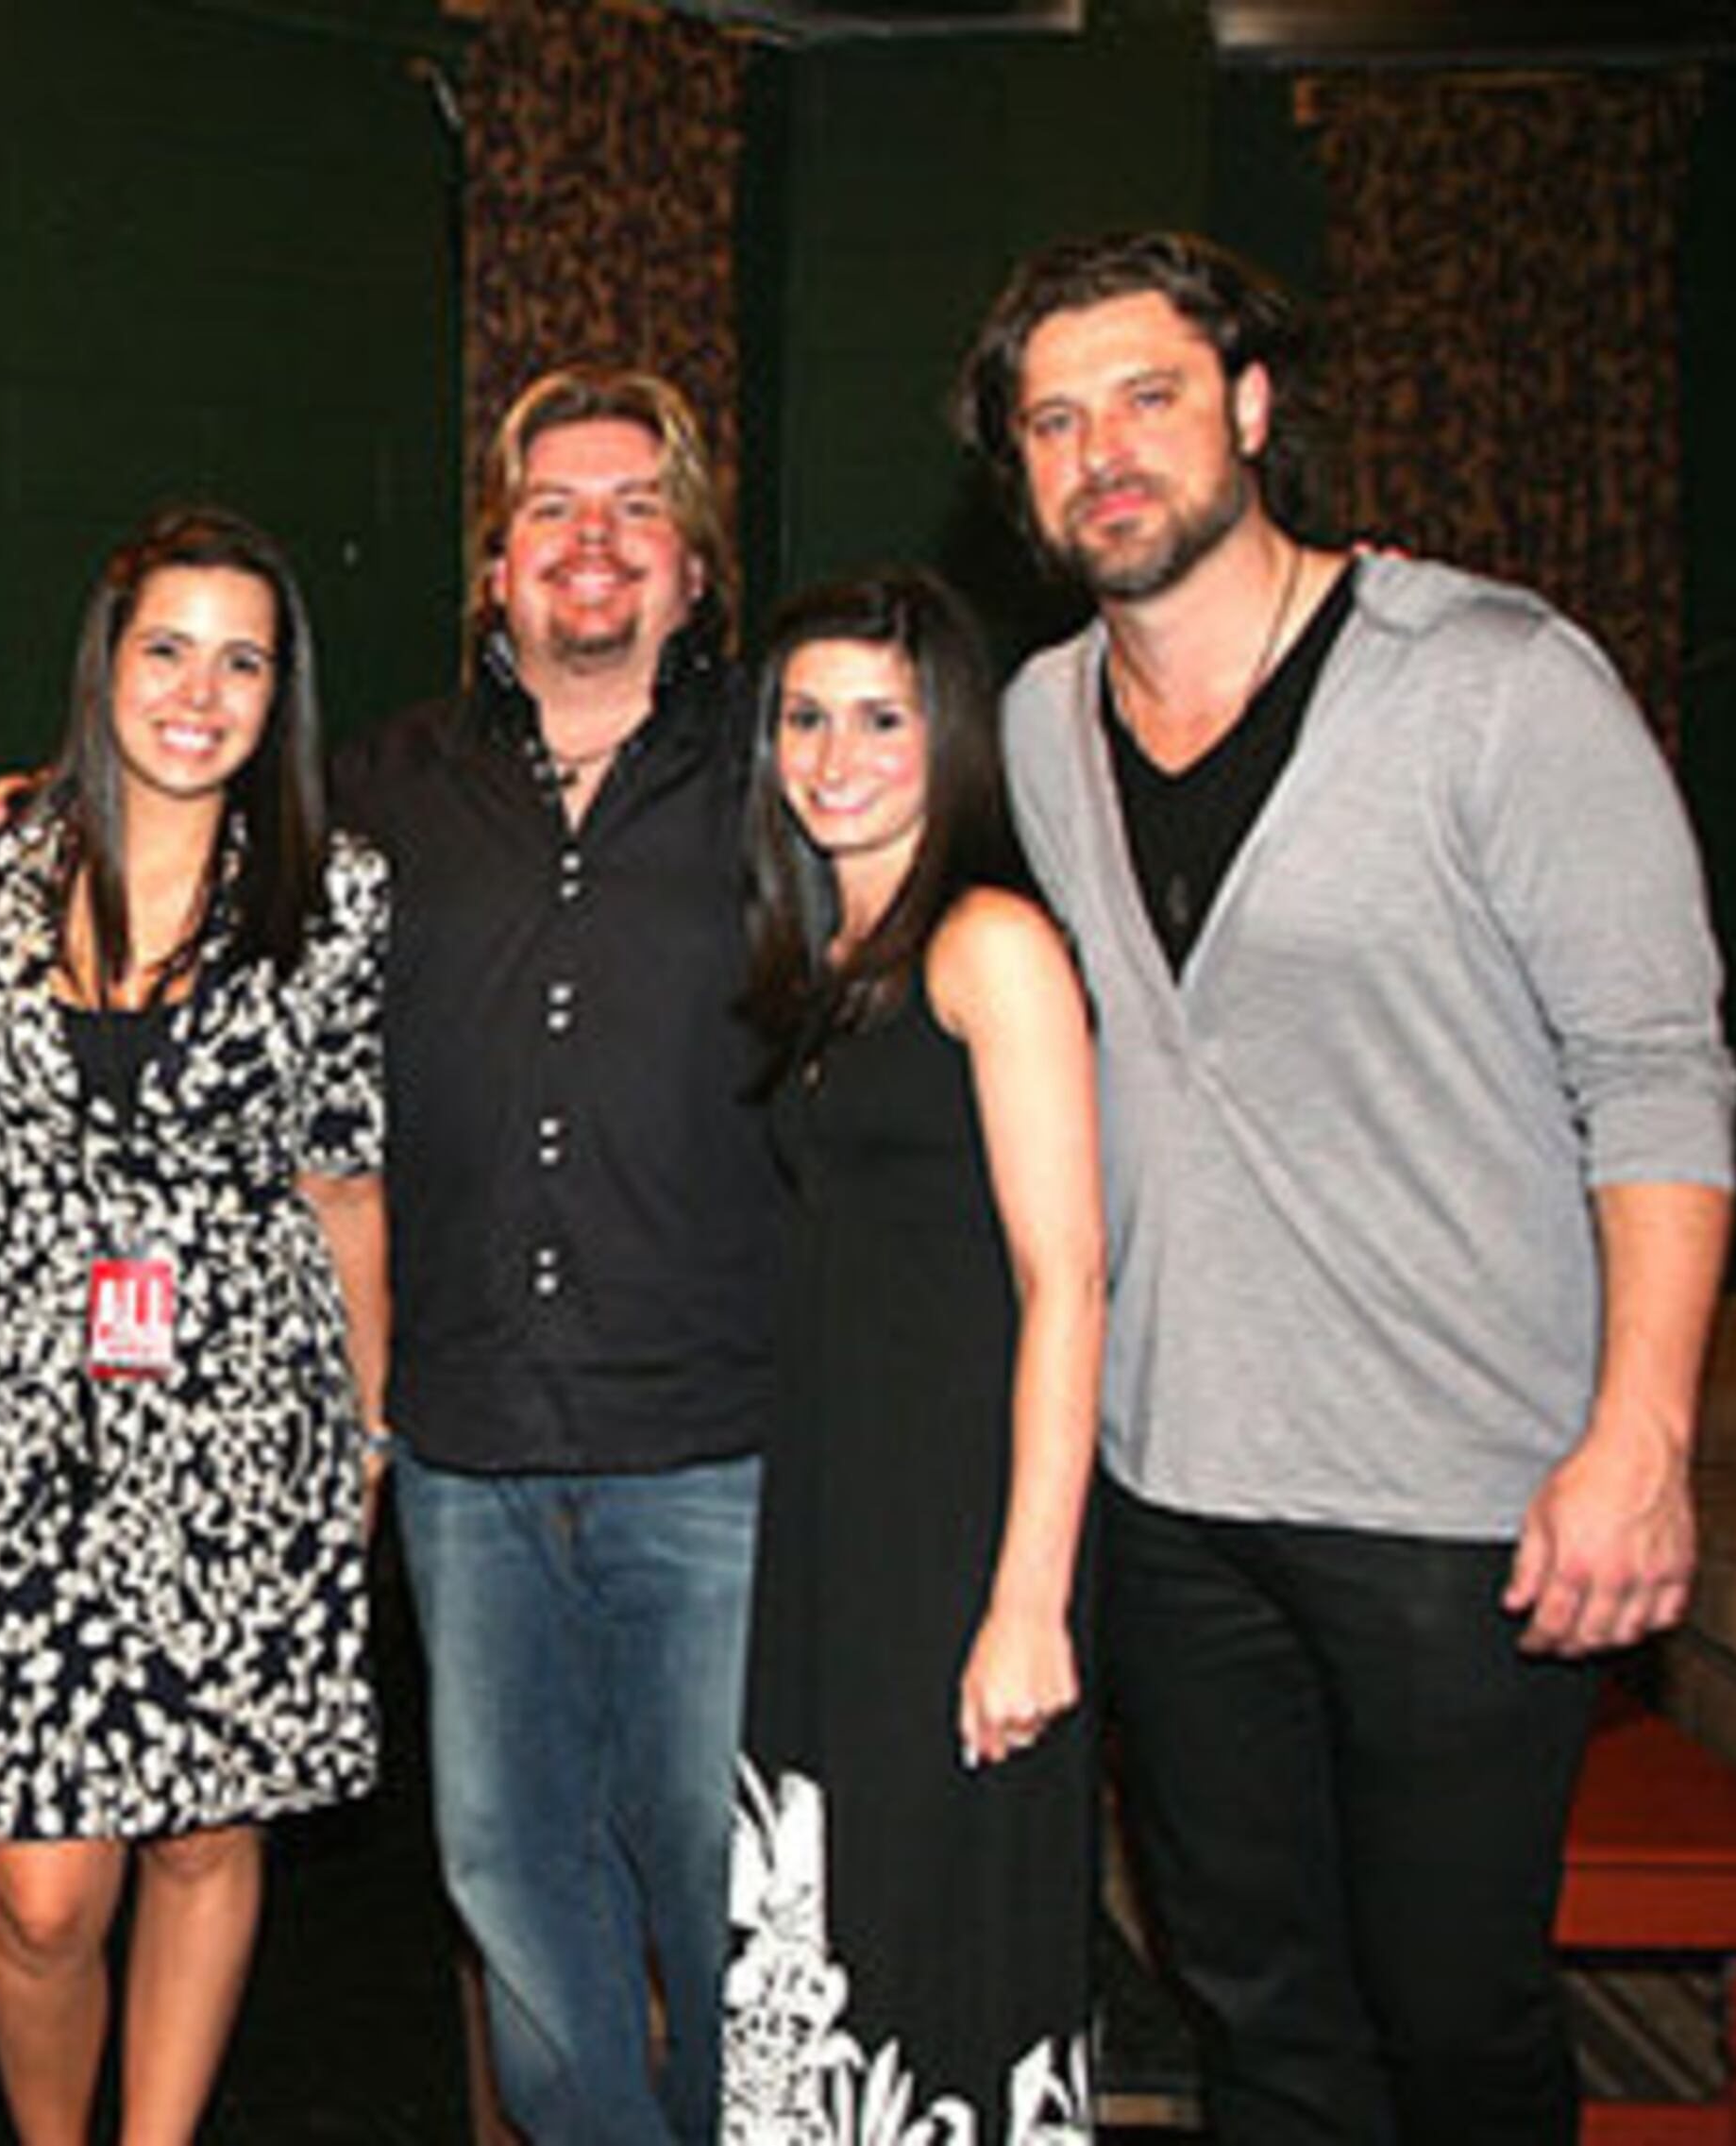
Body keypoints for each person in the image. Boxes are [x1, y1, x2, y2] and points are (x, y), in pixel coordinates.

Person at [958, 228, 1736, 2140]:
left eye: (1147, 397)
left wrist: (1639, 1435)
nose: (1104, 453)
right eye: (1056, 422)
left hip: (1459, 1506)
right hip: (1174, 1499)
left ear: (1249, 404)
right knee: (1255, 2016)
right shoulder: (1042, 725)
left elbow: (1655, 1072)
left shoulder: (1492, 680)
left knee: (1460, 2020)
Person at [331, 368, 784, 2144]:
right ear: (495, 568)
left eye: (634, 507)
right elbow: (176, 838)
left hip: (716, 1447)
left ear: (691, 569)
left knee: (724, 1903)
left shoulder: (789, 763)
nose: (589, 541)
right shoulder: (380, 783)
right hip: (469, 1451)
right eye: (550, 510)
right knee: (515, 1890)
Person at [0, 508, 391, 2144]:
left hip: (252, 1425)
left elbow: (349, 1188)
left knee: (209, 1833)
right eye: (166, 648)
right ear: (104, 664)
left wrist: (363, 1444)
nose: (199, 690)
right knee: (44, 1889)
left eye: (243, 659)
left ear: (281, 694)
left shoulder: (337, 895)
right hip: (34, 1437)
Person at [716, 571, 1102, 2141]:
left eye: (882, 717)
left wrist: (1027, 1603)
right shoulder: (831, 957)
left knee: (943, 1963)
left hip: (960, 1541)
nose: (835, 752)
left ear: (952, 739)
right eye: (805, 717)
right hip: (838, 1531)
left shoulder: (988, 939)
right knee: (836, 1942)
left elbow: (1066, 1275)